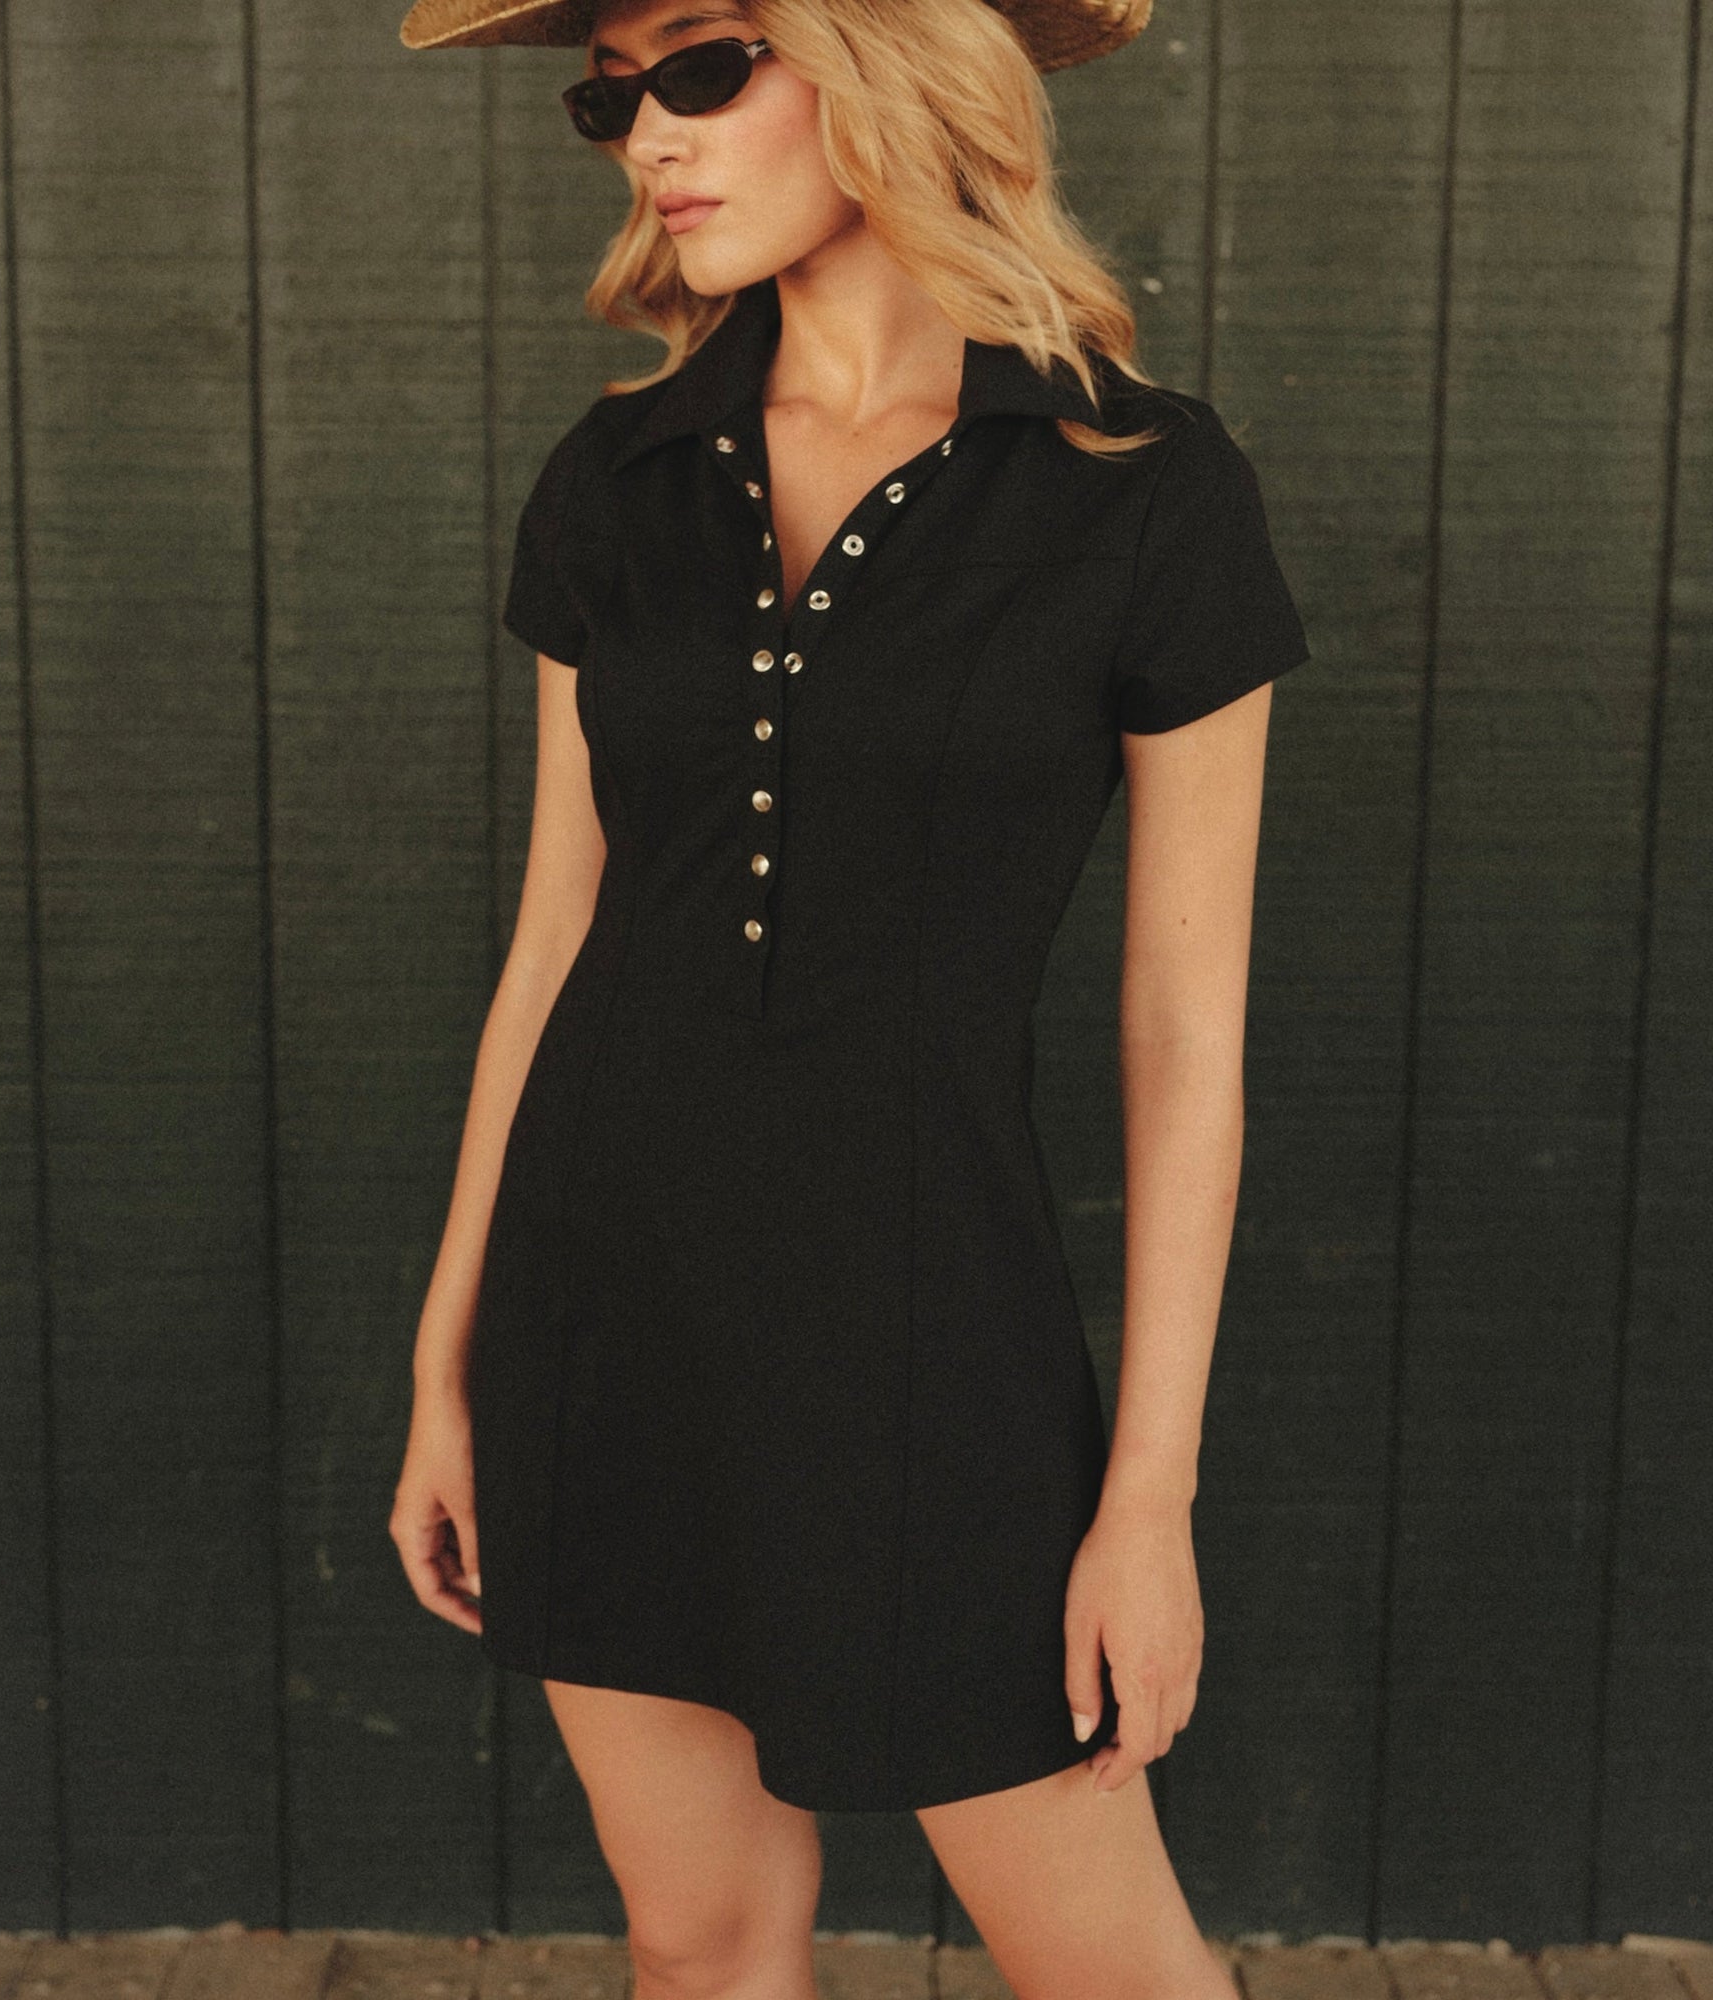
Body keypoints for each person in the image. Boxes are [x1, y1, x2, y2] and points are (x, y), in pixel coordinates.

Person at [389, 0, 1311, 1989]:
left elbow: (1183, 1037)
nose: (647, 133)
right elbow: (555, 945)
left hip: (925, 1332)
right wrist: (444, 1354)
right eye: (611, 92)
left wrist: (1146, 1494)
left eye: (704, 67)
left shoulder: (1139, 488)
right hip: (602, 1302)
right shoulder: (616, 478)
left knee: (1116, 1967)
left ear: (889, 60)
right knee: (702, 1941)